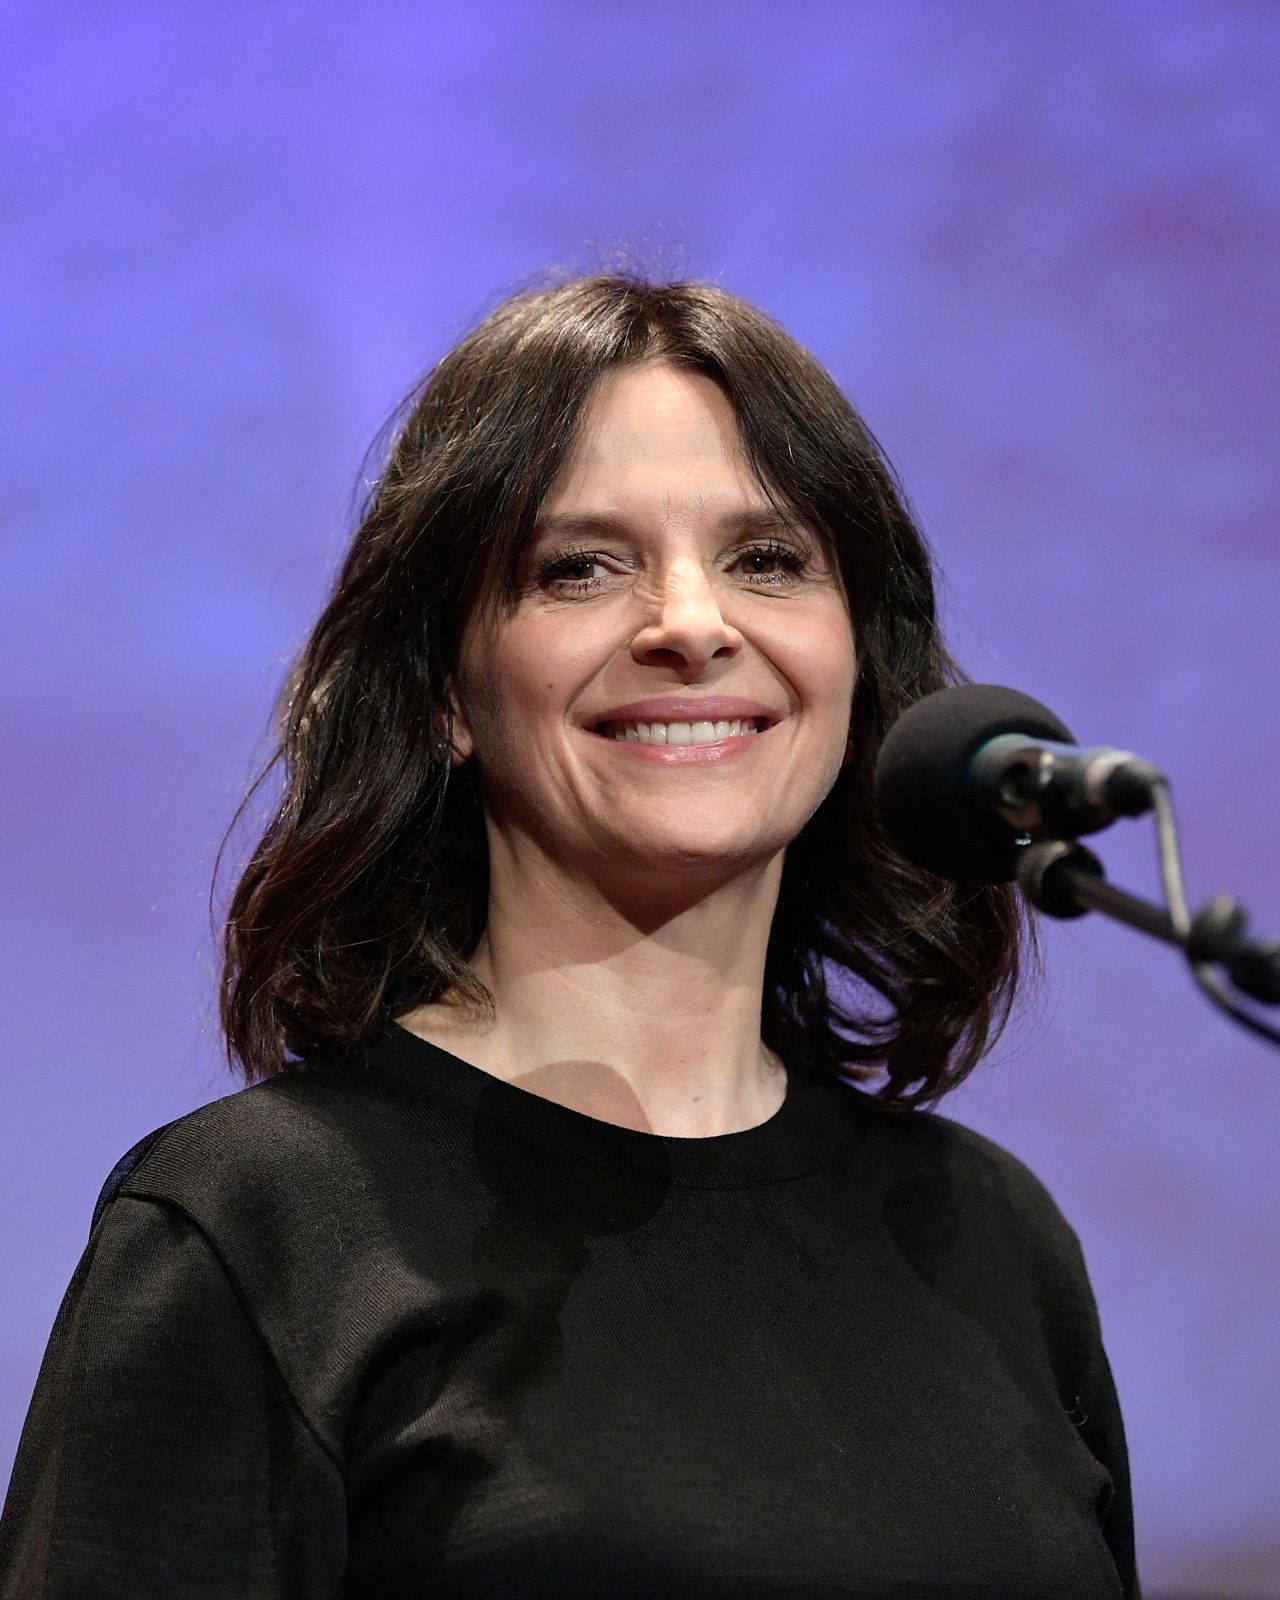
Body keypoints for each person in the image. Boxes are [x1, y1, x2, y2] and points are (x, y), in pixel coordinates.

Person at [0, 275, 1141, 1597]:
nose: (692, 625)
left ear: (855, 665)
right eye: (580, 568)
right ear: (447, 691)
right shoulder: (257, 1229)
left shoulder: (995, 1239)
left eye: (768, 559)